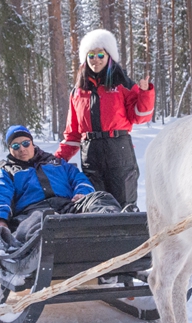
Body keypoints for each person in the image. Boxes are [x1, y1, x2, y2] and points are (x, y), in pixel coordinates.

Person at [55, 29, 154, 211]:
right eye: (91, 55)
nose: (96, 59)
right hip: (91, 153)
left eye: (101, 54)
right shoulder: (77, 92)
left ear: (109, 56)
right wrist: (57, 160)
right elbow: (73, 134)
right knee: (96, 205)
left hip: (118, 149)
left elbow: (140, 117)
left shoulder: (122, 84)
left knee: (124, 204)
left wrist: (145, 93)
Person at [0, 125, 118, 252]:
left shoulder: (57, 163)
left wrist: (82, 193)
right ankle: (51, 248)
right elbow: (0, 195)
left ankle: (119, 231)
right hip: (32, 213)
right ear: (9, 149)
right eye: (15, 146)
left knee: (101, 198)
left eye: (25, 143)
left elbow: (79, 179)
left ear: (32, 143)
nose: (22, 149)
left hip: (67, 206)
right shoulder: (5, 172)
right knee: (39, 222)